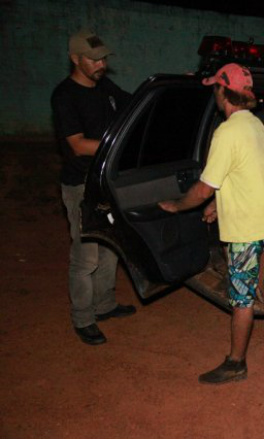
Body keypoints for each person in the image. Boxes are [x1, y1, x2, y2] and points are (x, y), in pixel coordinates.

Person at [159, 63, 264, 385]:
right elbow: (248, 175)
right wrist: (218, 204)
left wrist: (178, 205)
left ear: (224, 92)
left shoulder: (226, 132)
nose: (214, 92)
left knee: (240, 298)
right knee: (258, 285)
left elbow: (201, 188)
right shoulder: (256, 125)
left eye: (215, 87)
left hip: (246, 231)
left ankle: (236, 363)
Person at [51, 29, 136, 346]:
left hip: (107, 182)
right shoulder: (65, 96)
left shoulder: (105, 87)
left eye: (104, 58)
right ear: (75, 59)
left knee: (110, 249)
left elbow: (134, 103)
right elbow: (77, 145)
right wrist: (117, 146)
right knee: (86, 258)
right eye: (94, 59)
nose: (101, 64)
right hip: (81, 185)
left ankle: (105, 305)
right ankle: (83, 318)